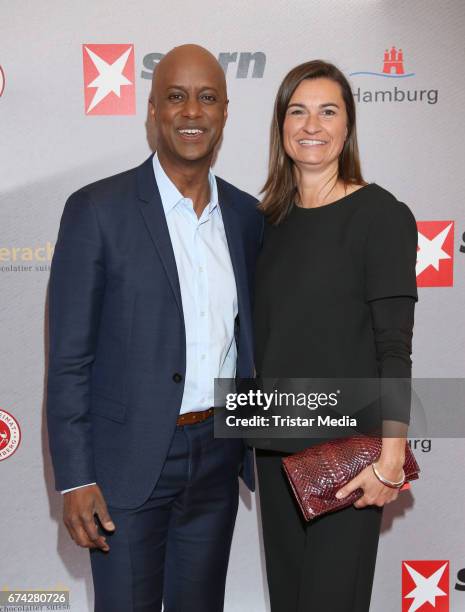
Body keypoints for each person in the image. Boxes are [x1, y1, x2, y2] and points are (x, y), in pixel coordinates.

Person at [47, 44, 262, 612]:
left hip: (217, 455)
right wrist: (75, 479)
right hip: (127, 464)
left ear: (225, 112)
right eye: (176, 96)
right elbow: (70, 360)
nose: (192, 111)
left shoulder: (245, 217)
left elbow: (253, 341)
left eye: (207, 97)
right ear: (152, 110)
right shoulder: (97, 210)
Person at [252, 60, 418, 611]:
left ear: (348, 127)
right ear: (281, 126)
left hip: (349, 461)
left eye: (328, 111)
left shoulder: (382, 215)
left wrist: (391, 460)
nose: (311, 125)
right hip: (275, 454)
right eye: (297, 111)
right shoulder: (267, 222)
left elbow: (394, 347)